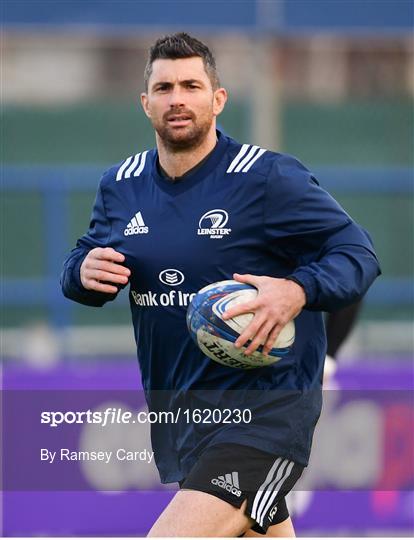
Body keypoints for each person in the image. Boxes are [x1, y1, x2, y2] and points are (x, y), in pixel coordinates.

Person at [61, 33, 380, 537]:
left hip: (267, 417)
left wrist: (296, 290)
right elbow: (85, 258)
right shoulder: (121, 184)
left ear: (218, 98)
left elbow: (357, 253)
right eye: (164, 88)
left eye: (191, 85)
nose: (178, 99)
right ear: (146, 103)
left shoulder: (267, 177)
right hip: (184, 414)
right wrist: (80, 275)